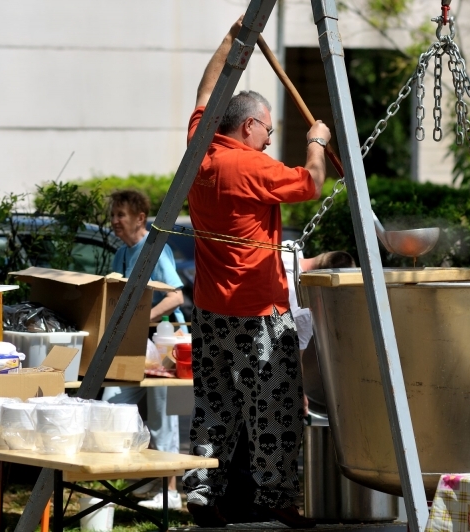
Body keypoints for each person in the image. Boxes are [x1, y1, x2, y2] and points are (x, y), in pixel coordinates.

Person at [181, 17, 331, 529]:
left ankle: (203, 493)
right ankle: (277, 499)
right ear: (248, 127)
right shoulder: (252, 166)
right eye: (268, 128)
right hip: (256, 313)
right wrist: (317, 138)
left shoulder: (200, 148)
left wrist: (231, 38)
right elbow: (312, 182)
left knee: (214, 406)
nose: (270, 138)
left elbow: (206, 88)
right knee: (275, 409)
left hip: (208, 309)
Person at [102, 189, 186, 510]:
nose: (114, 222)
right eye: (113, 215)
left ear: (140, 218)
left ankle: (172, 492)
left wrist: (141, 320)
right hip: (137, 344)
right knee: (114, 405)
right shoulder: (121, 255)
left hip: (166, 342)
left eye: (120, 215)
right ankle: (149, 477)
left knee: (165, 415)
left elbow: (176, 297)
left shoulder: (155, 250)